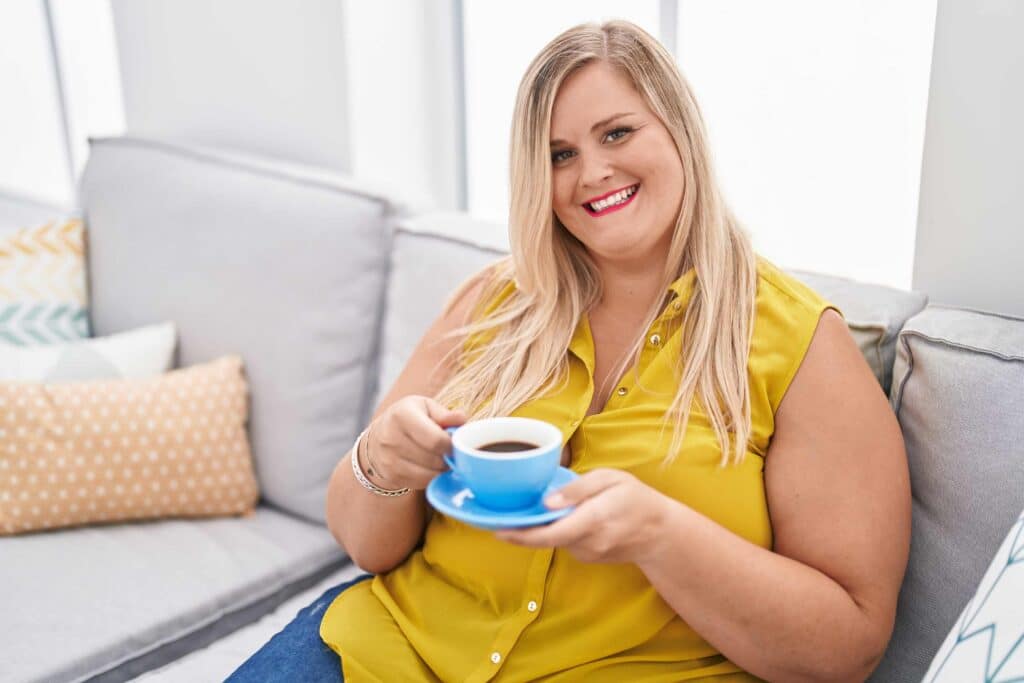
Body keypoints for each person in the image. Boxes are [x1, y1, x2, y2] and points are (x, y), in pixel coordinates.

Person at [227, 19, 910, 682]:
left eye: (618, 132)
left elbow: (847, 648)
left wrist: (660, 535)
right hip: (386, 651)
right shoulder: (493, 301)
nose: (592, 173)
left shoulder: (799, 343)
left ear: (680, 130)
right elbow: (366, 544)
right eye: (560, 154)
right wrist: (381, 458)